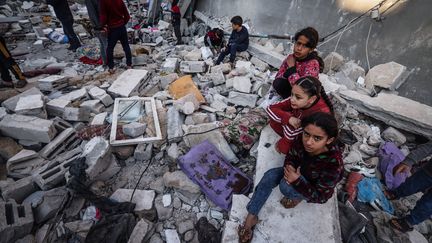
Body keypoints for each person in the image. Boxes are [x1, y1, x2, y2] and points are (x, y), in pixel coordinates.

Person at [238, 112, 343, 243]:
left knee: (285, 186)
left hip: (310, 184)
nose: (309, 142)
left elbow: (322, 197)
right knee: (270, 176)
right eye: (307, 134)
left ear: (329, 140)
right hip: (297, 172)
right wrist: (290, 166)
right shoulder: (300, 139)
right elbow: (291, 156)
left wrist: (297, 181)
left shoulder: (333, 162)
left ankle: (296, 198)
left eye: (317, 138)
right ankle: (251, 217)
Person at [266, 76, 333, 154]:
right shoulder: (299, 98)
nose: (292, 99)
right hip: (297, 125)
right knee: (274, 121)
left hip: (310, 138)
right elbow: (270, 108)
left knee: (284, 148)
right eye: (292, 94)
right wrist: (289, 118)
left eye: (298, 97)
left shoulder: (318, 115)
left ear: (312, 99)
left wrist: (282, 142)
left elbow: (292, 134)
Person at [386, 141, 432, 233]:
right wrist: (408, 162)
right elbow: (427, 148)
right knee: (412, 184)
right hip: (428, 172)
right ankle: (395, 193)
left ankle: (408, 222)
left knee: (428, 205)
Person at [273, 27, 324, 99]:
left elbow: (304, 90)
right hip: (292, 92)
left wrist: (291, 69)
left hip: (304, 97)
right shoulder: (291, 58)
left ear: (311, 49)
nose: (299, 48)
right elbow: (278, 76)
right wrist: (286, 74)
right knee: (278, 83)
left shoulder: (312, 63)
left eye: (305, 46)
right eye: (298, 43)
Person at [100, 0, 132, 74]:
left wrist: (102, 26)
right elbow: (127, 15)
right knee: (126, 46)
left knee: (110, 48)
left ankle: (111, 67)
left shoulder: (104, 1)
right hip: (122, 27)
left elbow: (103, 15)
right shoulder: (119, 0)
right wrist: (123, 23)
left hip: (112, 29)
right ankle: (129, 65)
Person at [85, 0, 108, 65]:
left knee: (103, 43)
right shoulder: (90, 1)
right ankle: (109, 63)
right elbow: (93, 13)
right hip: (99, 25)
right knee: (106, 43)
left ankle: (105, 61)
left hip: (99, 24)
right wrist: (100, 26)